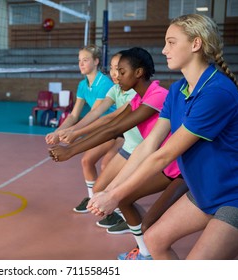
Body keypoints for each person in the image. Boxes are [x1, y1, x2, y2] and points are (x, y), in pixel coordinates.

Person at [88, 14, 238, 260]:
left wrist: (114, 196)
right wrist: (110, 189)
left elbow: (166, 154)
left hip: (234, 196)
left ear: (195, 44)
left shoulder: (217, 92)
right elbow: (148, 146)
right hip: (205, 191)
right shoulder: (178, 90)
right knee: (153, 239)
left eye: (171, 42)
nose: (163, 50)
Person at [49, 47, 182, 259]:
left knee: (149, 226)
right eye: (115, 71)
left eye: (121, 72)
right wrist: (72, 140)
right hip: (160, 162)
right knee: (124, 200)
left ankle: (147, 251)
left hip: (176, 166)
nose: (116, 77)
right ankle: (145, 253)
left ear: (138, 73)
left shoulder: (157, 96)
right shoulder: (138, 99)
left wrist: (70, 150)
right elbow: (110, 124)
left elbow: (114, 129)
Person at [57, 51, 139, 229]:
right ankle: (105, 205)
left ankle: (122, 214)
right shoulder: (114, 88)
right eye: (112, 68)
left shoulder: (131, 92)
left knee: (107, 168)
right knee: (97, 180)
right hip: (118, 133)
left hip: (131, 140)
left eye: (119, 69)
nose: (114, 73)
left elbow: (109, 120)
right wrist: (66, 131)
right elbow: (94, 113)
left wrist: (75, 134)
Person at [45, 44, 116, 213]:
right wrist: (57, 132)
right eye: (79, 61)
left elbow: (95, 113)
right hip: (99, 128)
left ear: (96, 61)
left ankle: (113, 208)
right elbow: (74, 115)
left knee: (107, 166)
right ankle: (93, 200)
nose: (81, 64)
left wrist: (73, 132)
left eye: (85, 60)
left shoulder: (104, 83)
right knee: (86, 161)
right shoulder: (83, 85)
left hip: (114, 127)